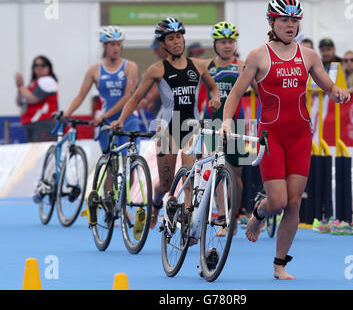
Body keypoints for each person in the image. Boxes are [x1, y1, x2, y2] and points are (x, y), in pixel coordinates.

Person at [220, 0, 350, 280]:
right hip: (272, 138)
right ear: (272, 22)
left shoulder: (309, 55)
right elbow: (236, 93)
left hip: (301, 136)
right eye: (284, 20)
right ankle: (258, 214)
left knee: (294, 204)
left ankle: (279, 265)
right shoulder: (258, 56)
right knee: (277, 202)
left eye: (294, 20)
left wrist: (337, 92)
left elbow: (328, 86)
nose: (290, 25)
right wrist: (227, 120)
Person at [111, 17, 221, 230]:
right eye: (171, 38)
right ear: (164, 44)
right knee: (165, 184)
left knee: (189, 180)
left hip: (191, 128)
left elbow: (213, 88)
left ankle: (187, 223)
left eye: (179, 36)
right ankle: (155, 205)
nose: (176, 42)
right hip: (167, 130)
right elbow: (134, 99)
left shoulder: (198, 66)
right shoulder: (156, 69)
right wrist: (121, 120)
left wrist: (215, 98)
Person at [201, 21, 257, 236]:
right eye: (223, 42)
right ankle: (223, 218)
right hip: (212, 124)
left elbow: (260, 91)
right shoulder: (206, 66)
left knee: (235, 175)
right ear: (215, 44)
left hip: (236, 125)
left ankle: (233, 213)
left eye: (231, 41)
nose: (227, 46)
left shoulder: (243, 65)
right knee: (216, 171)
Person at [64, 25, 140, 153]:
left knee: (129, 162)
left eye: (118, 44)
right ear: (104, 46)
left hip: (127, 118)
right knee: (110, 163)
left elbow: (128, 96)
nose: (116, 48)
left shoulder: (130, 66)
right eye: (112, 44)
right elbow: (81, 96)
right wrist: (67, 114)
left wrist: (105, 115)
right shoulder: (94, 70)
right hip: (106, 121)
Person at [15, 55, 59, 142]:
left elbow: (33, 99)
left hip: (44, 123)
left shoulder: (47, 80)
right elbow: (20, 102)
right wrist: (20, 88)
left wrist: (21, 85)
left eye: (42, 65)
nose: (39, 68)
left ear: (48, 67)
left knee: (41, 153)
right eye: (36, 65)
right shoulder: (33, 83)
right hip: (32, 123)